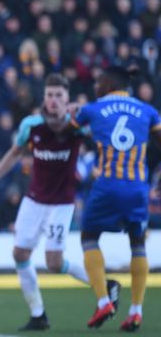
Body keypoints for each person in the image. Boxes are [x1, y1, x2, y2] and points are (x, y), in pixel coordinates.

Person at [0, 73, 119, 331]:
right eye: (49, 95)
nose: (53, 100)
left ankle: (105, 285)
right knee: (19, 253)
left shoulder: (78, 125)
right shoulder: (31, 125)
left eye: (59, 95)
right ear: (44, 97)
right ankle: (38, 315)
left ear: (67, 100)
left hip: (61, 204)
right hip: (33, 200)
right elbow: (15, 152)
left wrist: (86, 110)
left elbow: (106, 126)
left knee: (54, 263)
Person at [71, 66, 161, 331]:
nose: (96, 86)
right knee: (137, 243)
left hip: (108, 185)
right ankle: (136, 311)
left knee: (88, 237)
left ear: (108, 83)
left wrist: (70, 114)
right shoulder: (148, 110)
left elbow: (67, 132)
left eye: (99, 82)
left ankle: (103, 301)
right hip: (137, 188)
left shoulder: (93, 108)